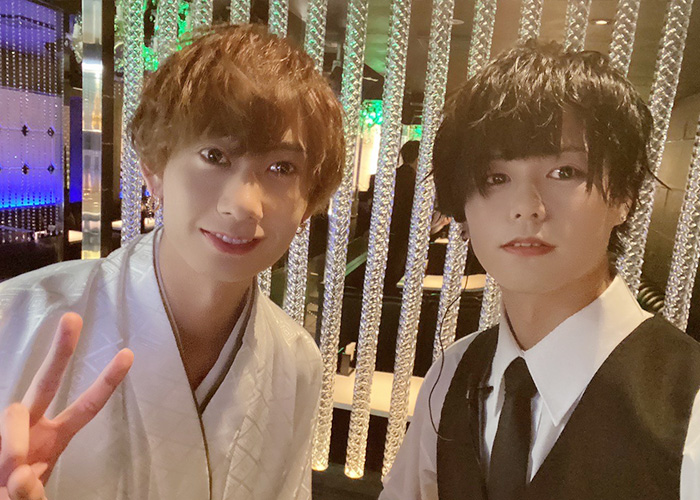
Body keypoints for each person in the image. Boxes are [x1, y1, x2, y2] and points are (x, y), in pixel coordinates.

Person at [0, 23, 344, 500]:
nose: (243, 205)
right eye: (214, 155)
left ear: (308, 202)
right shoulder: (16, 318)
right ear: (155, 171)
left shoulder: (296, 360)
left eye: (281, 168)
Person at [380, 41, 700, 499]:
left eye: (565, 172)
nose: (526, 208)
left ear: (624, 195)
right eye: (495, 178)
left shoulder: (688, 404)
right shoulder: (453, 373)